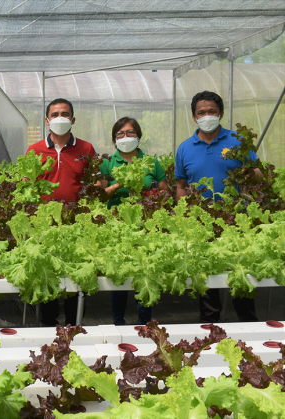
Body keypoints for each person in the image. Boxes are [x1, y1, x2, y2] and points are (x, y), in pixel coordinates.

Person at [175, 91, 262, 323]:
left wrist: (250, 174)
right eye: (201, 113)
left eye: (212, 111)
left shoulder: (237, 142)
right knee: (206, 278)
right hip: (202, 223)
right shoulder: (185, 148)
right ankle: (209, 325)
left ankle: (248, 325)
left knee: (241, 274)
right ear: (194, 117)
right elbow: (181, 185)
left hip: (237, 221)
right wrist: (184, 212)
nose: (207, 116)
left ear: (221, 113)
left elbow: (259, 174)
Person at [26, 98, 96, 326]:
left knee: (76, 273)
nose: (60, 118)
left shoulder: (86, 149)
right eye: (55, 114)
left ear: (73, 120)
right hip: (45, 225)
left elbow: (93, 184)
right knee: (49, 273)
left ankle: (74, 325)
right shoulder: (34, 150)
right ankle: (48, 325)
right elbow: (27, 188)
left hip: (77, 224)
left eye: (65, 114)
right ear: (47, 121)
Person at [99, 117, 169, 325]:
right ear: (114, 139)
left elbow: (165, 192)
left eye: (130, 133)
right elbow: (100, 195)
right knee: (120, 270)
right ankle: (118, 320)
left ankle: (144, 321)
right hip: (117, 225)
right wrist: (118, 184)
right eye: (120, 134)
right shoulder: (108, 163)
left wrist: (149, 192)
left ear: (138, 136)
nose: (125, 137)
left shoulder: (151, 162)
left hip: (146, 225)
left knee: (144, 269)